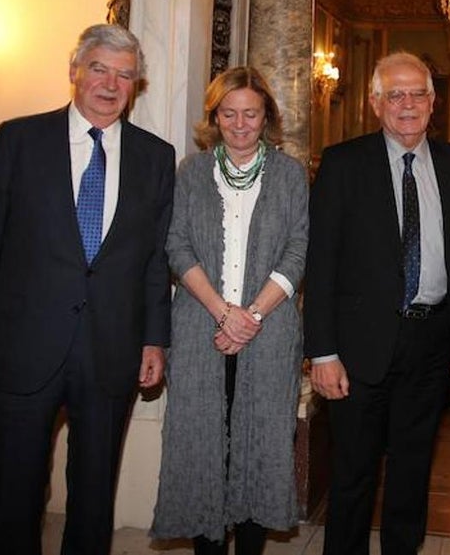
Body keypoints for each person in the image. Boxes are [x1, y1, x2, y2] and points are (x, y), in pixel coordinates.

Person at [0, 23, 175, 555]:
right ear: (75, 71)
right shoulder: (19, 139)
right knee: (17, 492)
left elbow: (154, 262)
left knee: (95, 497)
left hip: (111, 350)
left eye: (125, 75)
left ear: (136, 86)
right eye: (99, 68)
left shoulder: (155, 157)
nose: (110, 84)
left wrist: (154, 341)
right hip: (23, 346)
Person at [304, 51, 450, 555]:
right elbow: (321, 263)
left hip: (431, 343)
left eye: (418, 94)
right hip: (358, 346)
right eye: (396, 94)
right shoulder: (343, 163)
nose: (407, 104)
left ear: (434, 101)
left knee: (412, 473)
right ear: (375, 103)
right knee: (353, 475)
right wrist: (322, 352)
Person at [149, 67, 307, 555]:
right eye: (229, 113)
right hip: (200, 331)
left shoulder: (289, 173)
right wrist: (224, 314)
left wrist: (252, 317)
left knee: (262, 450)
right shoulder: (191, 173)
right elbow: (177, 247)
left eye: (251, 114)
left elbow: (297, 252)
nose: (240, 124)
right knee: (201, 452)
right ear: (214, 117)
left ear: (267, 118)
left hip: (271, 333)